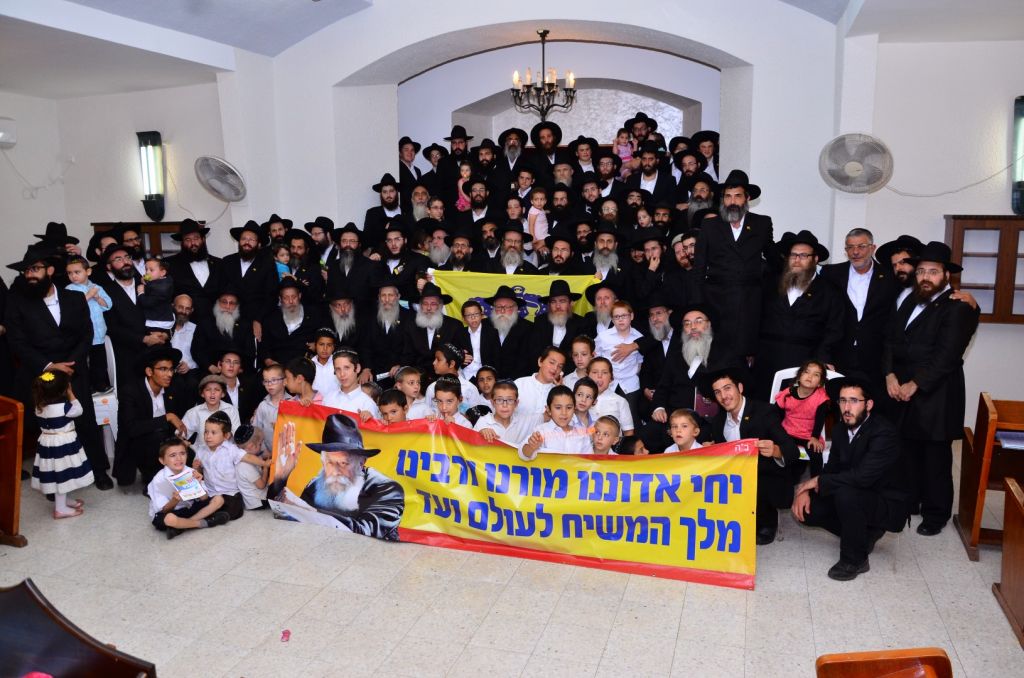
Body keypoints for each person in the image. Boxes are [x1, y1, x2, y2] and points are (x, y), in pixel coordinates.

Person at [883, 241, 979, 536]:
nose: (925, 277)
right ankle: (911, 502)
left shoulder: (959, 306)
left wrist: (916, 383)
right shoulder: (909, 299)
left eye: (933, 271)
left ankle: (936, 514)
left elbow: (947, 355)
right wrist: (889, 374)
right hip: (902, 387)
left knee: (935, 456)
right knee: (908, 449)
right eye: (921, 270)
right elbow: (890, 340)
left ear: (946, 275)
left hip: (937, 392)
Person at [6, 244, 113, 490]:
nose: (30, 275)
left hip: (74, 369)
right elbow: (16, 341)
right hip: (40, 373)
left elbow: (86, 334)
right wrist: (49, 365)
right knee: (49, 429)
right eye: (26, 271)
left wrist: (71, 363)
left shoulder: (73, 298)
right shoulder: (18, 302)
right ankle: (55, 482)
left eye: (35, 269)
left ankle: (98, 471)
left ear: (50, 270)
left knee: (85, 421)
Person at [792, 376, 909, 581]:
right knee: (810, 509)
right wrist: (807, 491)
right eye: (843, 400)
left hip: (886, 502)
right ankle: (864, 535)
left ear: (868, 405)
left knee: (846, 495)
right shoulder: (840, 430)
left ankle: (854, 560)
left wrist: (816, 481)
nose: (847, 408)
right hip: (857, 491)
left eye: (854, 401)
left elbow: (863, 477)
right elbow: (832, 469)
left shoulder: (884, 432)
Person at [703, 367, 798, 545]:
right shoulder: (718, 422)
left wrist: (776, 450)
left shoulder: (765, 412)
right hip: (734, 480)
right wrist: (710, 449)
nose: (723, 396)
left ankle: (767, 522)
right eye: (717, 392)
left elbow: (792, 450)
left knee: (758, 476)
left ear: (740, 388)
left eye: (727, 388)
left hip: (765, 478)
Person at [271, 414, 405, 540]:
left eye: (343, 463)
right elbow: (288, 516)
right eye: (330, 462)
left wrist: (308, 510)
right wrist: (280, 479)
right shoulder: (316, 485)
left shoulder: (388, 490)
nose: (335, 471)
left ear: (361, 462)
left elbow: (365, 532)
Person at [691, 169, 774, 359]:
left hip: (749, 303)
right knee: (716, 353)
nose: (732, 201)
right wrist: (698, 306)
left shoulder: (762, 224)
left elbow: (773, 259)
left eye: (737, 196)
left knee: (744, 355)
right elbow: (699, 269)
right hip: (716, 301)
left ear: (747, 198)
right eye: (728, 196)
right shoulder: (710, 225)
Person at [753, 230, 845, 399]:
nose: (797, 260)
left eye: (803, 256)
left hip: (804, 365)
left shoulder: (830, 292)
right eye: (793, 255)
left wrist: (821, 361)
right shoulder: (770, 284)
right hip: (766, 362)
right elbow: (755, 319)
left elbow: (834, 330)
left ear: (815, 259)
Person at [113, 345, 188, 487]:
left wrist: (180, 434)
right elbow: (131, 428)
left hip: (167, 439)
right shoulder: (130, 391)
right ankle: (151, 479)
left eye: (171, 369)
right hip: (136, 443)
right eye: (163, 369)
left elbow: (180, 419)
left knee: (189, 457)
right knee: (157, 436)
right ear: (149, 371)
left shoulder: (174, 387)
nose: (169, 374)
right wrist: (167, 417)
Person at [31, 369, 94, 519]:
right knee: (63, 474)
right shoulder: (65, 407)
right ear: (63, 389)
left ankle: (63, 501)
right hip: (63, 445)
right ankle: (60, 509)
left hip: (48, 444)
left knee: (57, 473)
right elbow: (79, 410)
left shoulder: (39, 406)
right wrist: (71, 394)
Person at [147, 438, 229, 540]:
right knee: (170, 519)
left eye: (182, 453)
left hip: (189, 508)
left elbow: (204, 498)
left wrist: (198, 486)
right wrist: (174, 500)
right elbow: (164, 510)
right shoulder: (159, 480)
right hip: (171, 512)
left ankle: (182, 526)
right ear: (162, 461)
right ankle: (203, 523)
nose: (179, 458)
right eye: (173, 455)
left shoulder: (190, 471)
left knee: (218, 499)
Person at [193, 411, 265, 520]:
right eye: (206, 432)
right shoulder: (201, 451)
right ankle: (208, 517)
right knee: (200, 503)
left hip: (230, 494)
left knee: (234, 509)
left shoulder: (231, 449)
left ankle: (206, 518)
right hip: (211, 493)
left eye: (213, 433)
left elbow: (248, 457)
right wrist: (196, 467)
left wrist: (264, 463)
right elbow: (198, 474)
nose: (208, 436)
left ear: (226, 435)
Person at [773, 359, 831, 477]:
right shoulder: (787, 394)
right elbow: (775, 415)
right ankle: (783, 476)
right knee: (782, 450)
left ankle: (815, 482)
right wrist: (776, 433)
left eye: (816, 375)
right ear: (799, 377)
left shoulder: (821, 398)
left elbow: (820, 420)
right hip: (788, 432)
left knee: (816, 452)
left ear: (820, 383)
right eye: (806, 372)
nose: (810, 376)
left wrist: (814, 437)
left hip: (808, 435)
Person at [64, 255, 113, 392]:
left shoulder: (96, 287)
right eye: (70, 273)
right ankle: (87, 387)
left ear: (88, 271)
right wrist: (89, 295)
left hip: (99, 333)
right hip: (82, 335)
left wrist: (97, 298)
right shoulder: (69, 289)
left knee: (99, 361)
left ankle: (100, 384)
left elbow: (108, 305)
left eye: (77, 272)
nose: (73, 276)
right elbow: (73, 308)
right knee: (83, 362)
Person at [595, 301, 645, 426]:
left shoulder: (639, 337)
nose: (620, 320)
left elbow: (640, 360)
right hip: (608, 384)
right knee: (606, 416)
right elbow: (596, 356)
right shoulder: (603, 337)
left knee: (631, 418)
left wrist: (634, 373)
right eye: (616, 317)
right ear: (612, 319)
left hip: (630, 384)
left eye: (624, 316)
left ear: (631, 316)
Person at [520, 386, 593, 459]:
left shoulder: (582, 433)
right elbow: (523, 454)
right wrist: (531, 447)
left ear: (574, 409)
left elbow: (589, 459)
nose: (564, 413)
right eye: (558, 408)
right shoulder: (541, 431)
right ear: (548, 410)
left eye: (569, 408)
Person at [484, 285, 534, 379]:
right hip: (488, 381)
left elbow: (527, 361)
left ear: (516, 308)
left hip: (518, 381)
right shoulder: (484, 326)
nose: (502, 311)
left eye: (507, 307)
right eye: (499, 307)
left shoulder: (528, 328)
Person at [473, 380, 538, 445]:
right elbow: (471, 445)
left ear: (516, 403)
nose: (504, 405)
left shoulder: (524, 421)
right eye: (499, 400)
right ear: (492, 403)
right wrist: (479, 434)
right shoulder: (482, 423)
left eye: (510, 400)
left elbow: (543, 416)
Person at [423, 343, 485, 411]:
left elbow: (476, 415)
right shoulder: (432, 388)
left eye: (438, 360)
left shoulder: (470, 388)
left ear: (452, 364)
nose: (434, 363)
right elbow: (426, 413)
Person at [323, 349, 380, 419]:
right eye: (338, 369)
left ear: (357, 368)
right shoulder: (328, 398)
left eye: (346, 368)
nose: (342, 374)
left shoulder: (368, 404)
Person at [513, 347, 566, 419]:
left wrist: (561, 392)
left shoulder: (559, 392)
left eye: (560, 366)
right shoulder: (519, 384)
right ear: (540, 361)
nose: (555, 368)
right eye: (552, 363)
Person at [587, 357, 634, 437]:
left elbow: (628, 432)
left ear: (611, 378)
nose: (599, 376)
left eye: (604, 372)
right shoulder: (579, 399)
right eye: (595, 372)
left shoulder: (620, 401)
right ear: (587, 376)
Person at [233, 424, 270, 510]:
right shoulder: (244, 466)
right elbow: (261, 485)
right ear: (251, 446)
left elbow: (263, 454)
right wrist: (265, 468)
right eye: (260, 444)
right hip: (258, 502)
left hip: (256, 499)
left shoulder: (249, 456)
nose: (261, 446)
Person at [253, 363, 287, 453]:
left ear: (284, 381)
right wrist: (263, 451)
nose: (269, 384)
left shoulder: (293, 403)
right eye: (266, 381)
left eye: (274, 380)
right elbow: (256, 432)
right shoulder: (262, 406)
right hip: (267, 454)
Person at [137, 257, 175, 333]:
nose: (147, 272)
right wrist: (146, 281)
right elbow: (153, 284)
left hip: (158, 322)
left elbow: (147, 303)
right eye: (146, 269)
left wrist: (141, 292)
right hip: (161, 318)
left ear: (162, 273)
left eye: (151, 270)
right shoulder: (165, 281)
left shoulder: (161, 288)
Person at [310, 328, 340, 396]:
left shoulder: (339, 363)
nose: (325, 348)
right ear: (315, 345)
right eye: (321, 344)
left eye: (329, 345)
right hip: (315, 402)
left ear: (333, 347)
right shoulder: (309, 365)